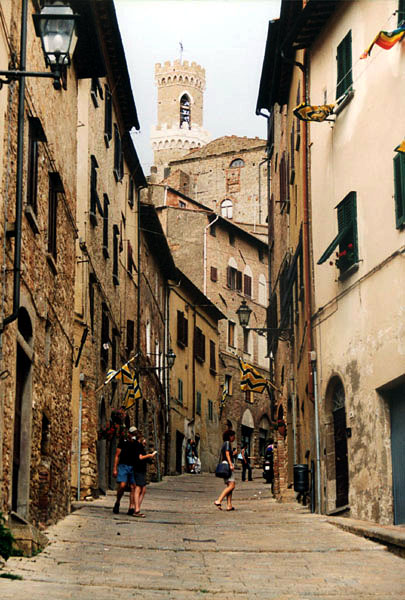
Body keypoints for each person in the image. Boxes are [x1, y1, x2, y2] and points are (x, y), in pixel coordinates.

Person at [112, 425, 138, 515]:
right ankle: (118, 501)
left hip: (133, 467)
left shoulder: (136, 444)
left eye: (135, 433)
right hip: (123, 466)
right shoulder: (123, 442)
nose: (134, 435)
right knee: (122, 486)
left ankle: (131, 506)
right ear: (129, 434)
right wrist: (115, 468)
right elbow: (117, 455)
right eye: (133, 433)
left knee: (133, 487)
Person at [132, 431, 157, 517]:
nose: (145, 441)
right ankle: (136, 510)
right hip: (138, 469)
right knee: (138, 488)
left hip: (141, 470)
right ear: (141, 439)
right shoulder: (138, 446)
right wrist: (149, 455)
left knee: (143, 489)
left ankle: (137, 508)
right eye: (144, 439)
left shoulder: (139, 446)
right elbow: (140, 457)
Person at [214, 429, 237, 511]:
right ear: (230, 436)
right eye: (233, 436)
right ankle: (219, 500)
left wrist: (233, 454)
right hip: (227, 466)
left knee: (229, 486)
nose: (234, 438)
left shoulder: (225, 444)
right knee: (232, 485)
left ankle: (229, 505)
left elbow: (227, 454)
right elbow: (227, 454)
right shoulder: (227, 443)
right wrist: (231, 464)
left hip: (226, 465)